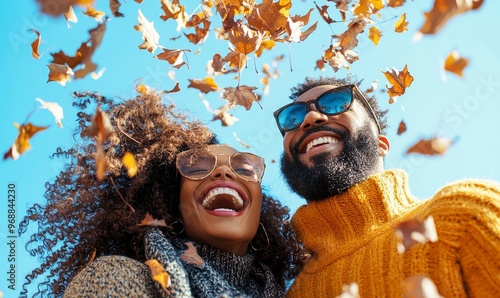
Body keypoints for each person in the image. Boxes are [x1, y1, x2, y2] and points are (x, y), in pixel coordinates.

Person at [19, 90, 305, 297]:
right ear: (172, 204)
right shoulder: (118, 280)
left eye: (244, 168)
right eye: (197, 167)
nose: (223, 173)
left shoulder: (299, 291)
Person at [273, 76, 500, 297]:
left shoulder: (466, 213)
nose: (311, 117)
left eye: (336, 102)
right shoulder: (287, 292)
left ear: (381, 144)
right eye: (292, 117)